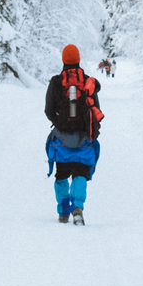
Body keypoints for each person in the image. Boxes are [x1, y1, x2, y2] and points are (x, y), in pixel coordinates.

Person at [45, 44, 103, 224]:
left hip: (61, 139)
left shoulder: (55, 82)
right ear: (78, 60)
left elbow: (48, 110)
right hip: (83, 139)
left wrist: (58, 122)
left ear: (63, 60)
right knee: (80, 172)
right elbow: (96, 110)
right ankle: (77, 207)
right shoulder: (87, 82)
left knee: (61, 173)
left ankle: (63, 212)